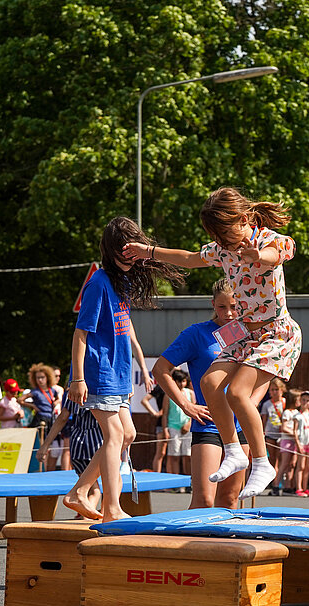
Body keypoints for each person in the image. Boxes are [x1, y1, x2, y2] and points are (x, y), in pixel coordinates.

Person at [123, 187, 301, 498]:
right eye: (216, 237)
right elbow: (190, 258)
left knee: (237, 392)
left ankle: (261, 462)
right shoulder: (223, 249)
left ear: (243, 219)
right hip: (245, 332)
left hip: (276, 333)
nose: (221, 242)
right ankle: (233, 450)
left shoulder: (266, 240)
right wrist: (148, 252)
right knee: (209, 381)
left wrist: (259, 256)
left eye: (224, 234)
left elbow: (283, 250)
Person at [63, 216, 182, 522]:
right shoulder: (99, 282)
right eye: (124, 251)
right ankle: (111, 508)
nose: (130, 258)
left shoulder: (122, 283)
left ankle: (79, 491)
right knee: (114, 435)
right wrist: (78, 378)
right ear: (112, 251)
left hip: (118, 374)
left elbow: (127, 336)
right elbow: (80, 333)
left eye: (133, 251)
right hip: (99, 372)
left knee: (127, 434)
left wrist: (135, 372)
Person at [153, 278, 249, 508]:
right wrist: (186, 406)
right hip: (209, 424)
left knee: (230, 499)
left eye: (235, 306)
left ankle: (226, 544)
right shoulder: (196, 334)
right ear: (213, 304)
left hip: (240, 426)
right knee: (204, 500)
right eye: (222, 307)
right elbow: (160, 369)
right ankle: (189, 543)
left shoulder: (249, 333)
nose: (228, 313)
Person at [40, 391, 104, 515]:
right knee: (95, 491)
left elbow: (63, 417)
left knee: (91, 488)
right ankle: (86, 520)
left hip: (77, 443)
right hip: (96, 443)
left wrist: (45, 445)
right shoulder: (102, 390)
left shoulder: (74, 392)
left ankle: (83, 515)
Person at [162, 369, 194, 480]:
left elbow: (195, 410)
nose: (181, 384)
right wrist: (165, 429)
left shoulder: (190, 393)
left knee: (188, 456)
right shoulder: (168, 395)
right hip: (173, 427)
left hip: (187, 427)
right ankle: (177, 482)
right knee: (175, 456)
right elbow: (165, 414)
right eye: (179, 381)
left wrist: (189, 423)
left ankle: (189, 481)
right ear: (174, 381)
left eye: (183, 381)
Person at [289, 390, 309, 497]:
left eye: (308, 400)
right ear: (300, 401)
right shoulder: (297, 415)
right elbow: (295, 431)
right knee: (300, 466)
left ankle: (305, 488)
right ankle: (299, 488)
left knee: (308, 467)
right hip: (302, 443)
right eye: (303, 400)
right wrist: (298, 444)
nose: (305, 402)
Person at [263, 378, 287, 492]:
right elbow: (264, 419)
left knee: (282, 459)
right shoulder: (267, 404)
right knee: (272, 459)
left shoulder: (285, 402)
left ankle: (279, 481)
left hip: (283, 434)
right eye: (271, 390)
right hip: (270, 433)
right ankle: (272, 482)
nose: (274, 392)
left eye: (276, 389)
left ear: (282, 390)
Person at [277, 389, 301, 494]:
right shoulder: (287, 412)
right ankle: (276, 485)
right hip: (287, 440)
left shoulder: (297, 413)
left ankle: (288, 485)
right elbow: (284, 427)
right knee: (284, 463)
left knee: (292, 464)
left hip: (295, 441)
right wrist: (294, 433)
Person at [139, 384, 166, 471]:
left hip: (176, 422)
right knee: (160, 452)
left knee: (172, 455)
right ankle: (157, 475)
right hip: (161, 422)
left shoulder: (180, 384)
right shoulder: (161, 386)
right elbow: (144, 400)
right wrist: (155, 413)